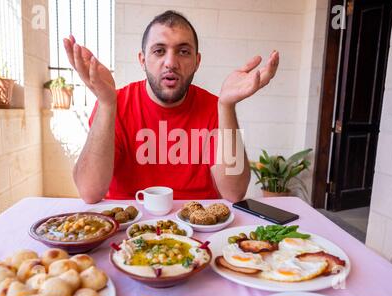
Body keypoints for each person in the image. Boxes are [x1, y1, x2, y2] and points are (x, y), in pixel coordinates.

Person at [63, 10, 279, 204]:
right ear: (142, 60)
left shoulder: (216, 107)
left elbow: (235, 193)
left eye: (183, 52)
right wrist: (107, 104)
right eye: (159, 51)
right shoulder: (114, 103)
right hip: (128, 230)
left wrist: (227, 105)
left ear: (196, 61)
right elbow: (89, 192)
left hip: (199, 230)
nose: (170, 62)